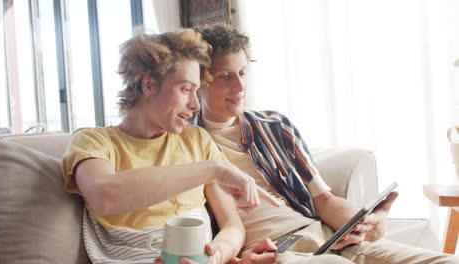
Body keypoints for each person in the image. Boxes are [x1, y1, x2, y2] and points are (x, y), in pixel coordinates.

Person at [192, 23, 459, 264]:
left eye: (242, 72)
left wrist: (365, 224)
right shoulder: (187, 146)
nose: (240, 85)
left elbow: (325, 201)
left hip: (328, 240)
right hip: (277, 253)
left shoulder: (275, 126)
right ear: (199, 81)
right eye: (225, 76)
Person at [61, 29, 279, 264]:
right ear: (148, 84)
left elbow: (232, 227)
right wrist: (213, 168)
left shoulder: (197, 140)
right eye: (185, 89)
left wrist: (216, 255)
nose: (195, 104)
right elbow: (104, 196)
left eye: (196, 91)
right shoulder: (94, 142)